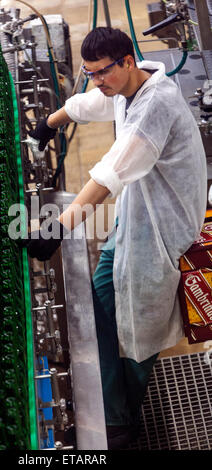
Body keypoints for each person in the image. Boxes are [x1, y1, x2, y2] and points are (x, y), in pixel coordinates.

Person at [23, 27, 207, 449]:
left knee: (139, 332)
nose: (97, 82)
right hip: (134, 222)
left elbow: (111, 173)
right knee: (101, 312)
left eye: (102, 73)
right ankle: (112, 411)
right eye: (89, 73)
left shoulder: (154, 106)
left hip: (160, 234)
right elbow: (92, 103)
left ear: (126, 61)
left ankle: (122, 428)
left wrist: (58, 228)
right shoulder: (128, 85)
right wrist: (47, 125)